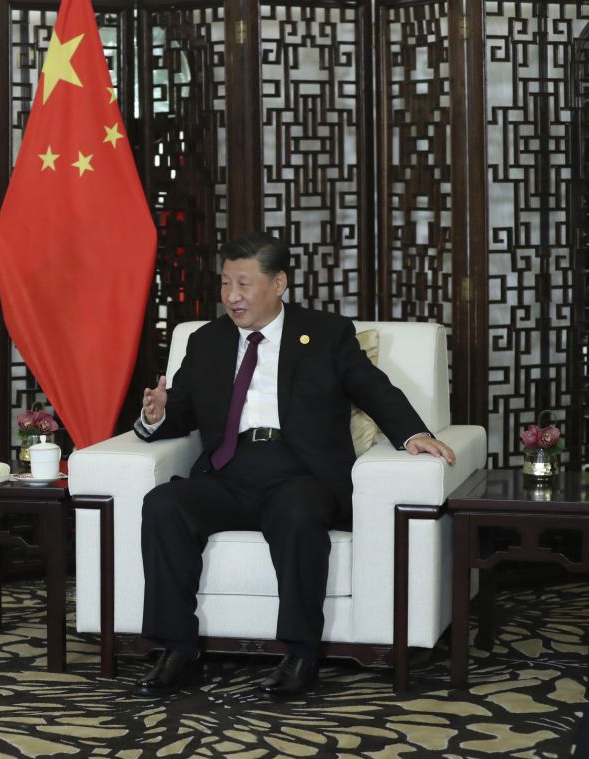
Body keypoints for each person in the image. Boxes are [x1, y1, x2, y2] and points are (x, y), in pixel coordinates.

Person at [132, 232, 456, 699]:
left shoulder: (326, 334)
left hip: (299, 472)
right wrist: (155, 414)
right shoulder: (206, 341)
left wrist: (413, 434)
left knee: (299, 513)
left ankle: (301, 653)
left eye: (243, 283)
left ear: (279, 282)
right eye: (225, 284)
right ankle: (178, 648)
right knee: (163, 504)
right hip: (228, 468)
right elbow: (180, 410)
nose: (232, 296)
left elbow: (373, 388)